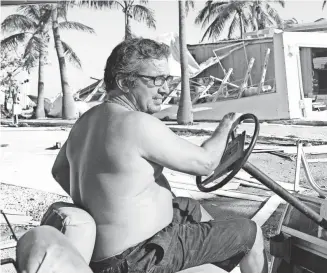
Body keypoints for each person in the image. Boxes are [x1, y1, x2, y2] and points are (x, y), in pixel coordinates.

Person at [51, 38, 267, 273]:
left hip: (113, 258)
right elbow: (206, 163)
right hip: (140, 258)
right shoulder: (135, 123)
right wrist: (226, 126)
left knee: (187, 207)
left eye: (167, 79)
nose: (165, 88)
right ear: (124, 82)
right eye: (155, 80)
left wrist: (107, 202)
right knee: (251, 232)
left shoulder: (85, 121)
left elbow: (59, 171)